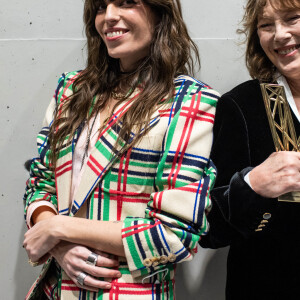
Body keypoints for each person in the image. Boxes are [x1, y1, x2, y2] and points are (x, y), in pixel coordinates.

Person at [23, 0, 219, 299]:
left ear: (160, 13)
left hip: (125, 291)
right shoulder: (73, 90)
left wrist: (60, 229)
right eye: (101, 6)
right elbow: (41, 183)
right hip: (55, 288)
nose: (109, 17)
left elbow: (174, 235)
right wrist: (60, 246)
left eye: (127, 3)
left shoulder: (190, 102)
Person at [200, 0, 300, 299]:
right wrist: (250, 186)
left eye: (292, 18)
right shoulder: (242, 106)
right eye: (266, 25)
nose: (279, 35)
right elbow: (208, 229)